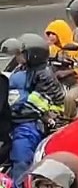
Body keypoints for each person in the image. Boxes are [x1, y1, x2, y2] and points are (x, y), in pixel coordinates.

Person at [8, 35, 65, 180]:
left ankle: (19, 186)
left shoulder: (44, 75)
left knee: (21, 148)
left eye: (20, 54)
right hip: (23, 114)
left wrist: (11, 111)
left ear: (32, 55)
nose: (17, 57)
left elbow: (34, 107)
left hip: (40, 119)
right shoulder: (24, 68)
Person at [46, 19, 78, 93]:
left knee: (69, 98)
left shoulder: (76, 49)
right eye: (49, 34)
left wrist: (68, 72)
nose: (50, 36)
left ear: (61, 33)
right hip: (57, 82)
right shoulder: (51, 49)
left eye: (53, 34)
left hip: (77, 82)